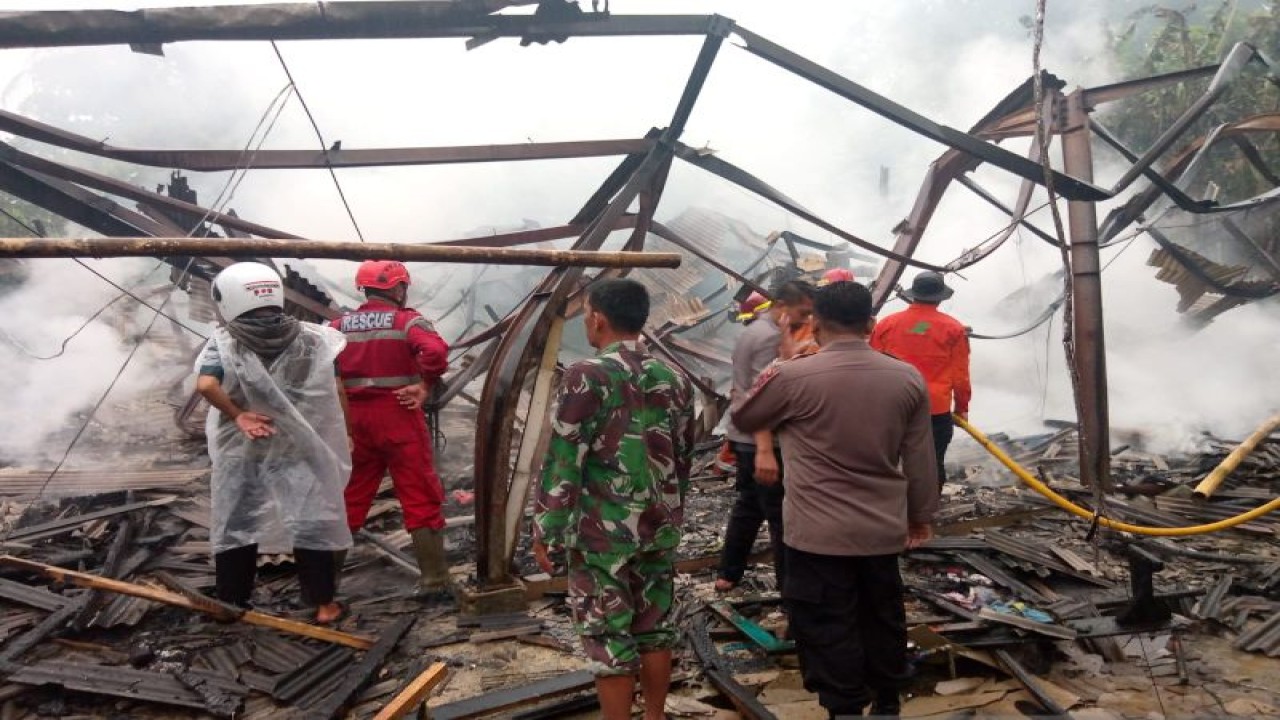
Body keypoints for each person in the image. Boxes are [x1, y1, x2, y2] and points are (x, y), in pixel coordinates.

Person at [733, 281, 939, 719]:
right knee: (881, 615)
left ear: (817, 325)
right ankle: (887, 701)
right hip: (881, 529)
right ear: (871, 323)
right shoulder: (906, 377)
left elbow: (745, 416)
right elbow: (920, 458)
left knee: (827, 623)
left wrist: (781, 363)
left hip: (816, 534)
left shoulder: (793, 376)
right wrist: (920, 515)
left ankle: (844, 709)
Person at [532, 278, 695, 720]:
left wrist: (546, 528)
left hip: (602, 534)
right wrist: (672, 514)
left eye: (587, 314)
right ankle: (655, 716)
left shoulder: (586, 375)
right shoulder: (674, 377)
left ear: (598, 318)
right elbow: (683, 456)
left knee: (608, 636)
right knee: (655, 628)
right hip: (659, 526)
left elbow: (564, 458)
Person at [195, 262, 352, 624]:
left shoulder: (225, 339)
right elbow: (336, 390)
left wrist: (238, 414)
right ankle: (324, 605)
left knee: (237, 521)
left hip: (243, 445)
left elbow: (205, 385)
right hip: (297, 443)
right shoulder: (314, 337)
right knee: (310, 518)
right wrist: (346, 433)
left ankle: (232, 602)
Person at [332, 260, 452, 599]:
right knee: (419, 494)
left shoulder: (336, 326)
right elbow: (435, 352)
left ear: (364, 289)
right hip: (399, 413)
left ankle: (326, 585)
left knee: (349, 497)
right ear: (399, 288)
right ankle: (435, 581)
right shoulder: (408, 321)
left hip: (352, 421)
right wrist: (425, 384)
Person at [716, 280, 815, 594]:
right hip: (762, 439)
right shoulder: (768, 335)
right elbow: (762, 395)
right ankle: (791, 588)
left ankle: (728, 572)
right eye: (803, 312)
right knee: (781, 516)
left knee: (749, 506)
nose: (806, 318)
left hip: (744, 435)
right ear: (782, 305)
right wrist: (765, 450)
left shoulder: (759, 329)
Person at [870, 270, 971, 488]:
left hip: (892, 407)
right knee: (931, 465)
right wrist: (962, 408)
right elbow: (960, 376)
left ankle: (888, 504)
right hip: (934, 410)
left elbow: (872, 366)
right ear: (940, 297)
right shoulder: (954, 329)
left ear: (913, 294)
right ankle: (927, 507)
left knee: (886, 464)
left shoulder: (886, 324)